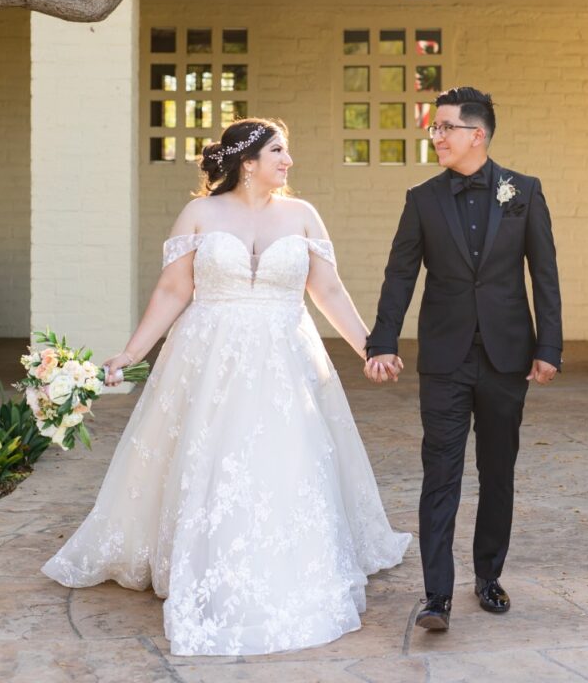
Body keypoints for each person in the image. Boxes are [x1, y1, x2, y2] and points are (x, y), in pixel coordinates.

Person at [42, 118, 410, 657]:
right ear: (248, 161)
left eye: (288, 150)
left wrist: (370, 349)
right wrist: (130, 352)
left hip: (285, 358)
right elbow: (173, 289)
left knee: (287, 459)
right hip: (209, 356)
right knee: (210, 457)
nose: (288, 161)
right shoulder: (200, 214)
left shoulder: (303, 215)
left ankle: (285, 558)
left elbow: (327, 289)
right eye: (279, 151)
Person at [365, 87, 562, 631]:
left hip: (507, 357)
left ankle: (488, 575)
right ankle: (436, 595)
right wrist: (382, 341)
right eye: (434, 128)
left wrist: (550, 347)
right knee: (440, 473)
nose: (436, 137)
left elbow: (543, 274)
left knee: (497, 472)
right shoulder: (421, 199)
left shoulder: (524, 191)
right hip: (445, 357)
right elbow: (400, 273)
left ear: (477, 133)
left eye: (444, 127)